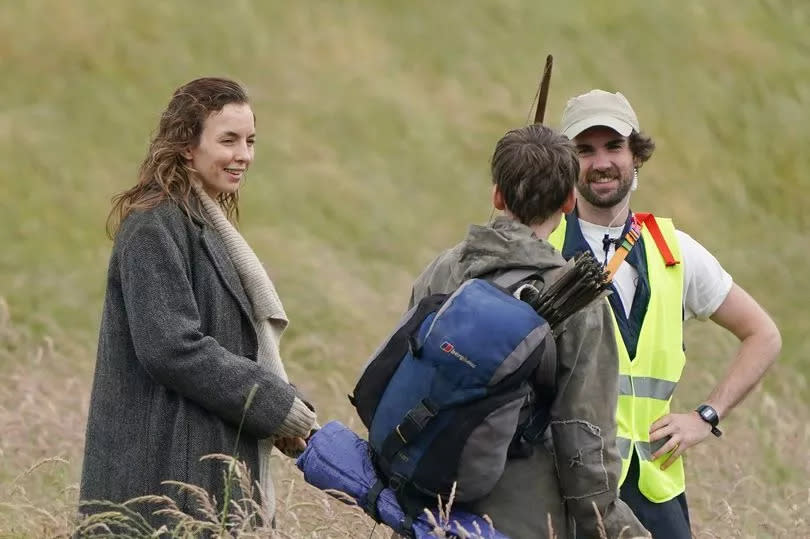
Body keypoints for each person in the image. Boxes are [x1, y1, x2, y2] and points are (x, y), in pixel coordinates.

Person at [79, 77, 317, 529]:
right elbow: (172, 348)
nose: (243, 155)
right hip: (162, 483)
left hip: (200, 471)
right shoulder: (154, 227)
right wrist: (273, 405)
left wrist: (281, 410)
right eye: (228, 140)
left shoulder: (199, 223)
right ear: (187, 146)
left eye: (250, 141)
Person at [550, 89, 781, 538]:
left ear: (636, 156)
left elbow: (763, 335)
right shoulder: (542, 249)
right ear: (565, 163)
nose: (601, 162)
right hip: (563, 486)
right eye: (585, 150)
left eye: (614, 147)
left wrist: (705, 417)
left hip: (653, 489)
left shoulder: (674, 250)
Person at [407, 124, 649, 538]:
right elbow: (583, 436)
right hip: (521, 518)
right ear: (571, 200)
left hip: (424, 502)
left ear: (497, 195)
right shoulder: (578, 298)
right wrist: (611, 527)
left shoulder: (443, 269)